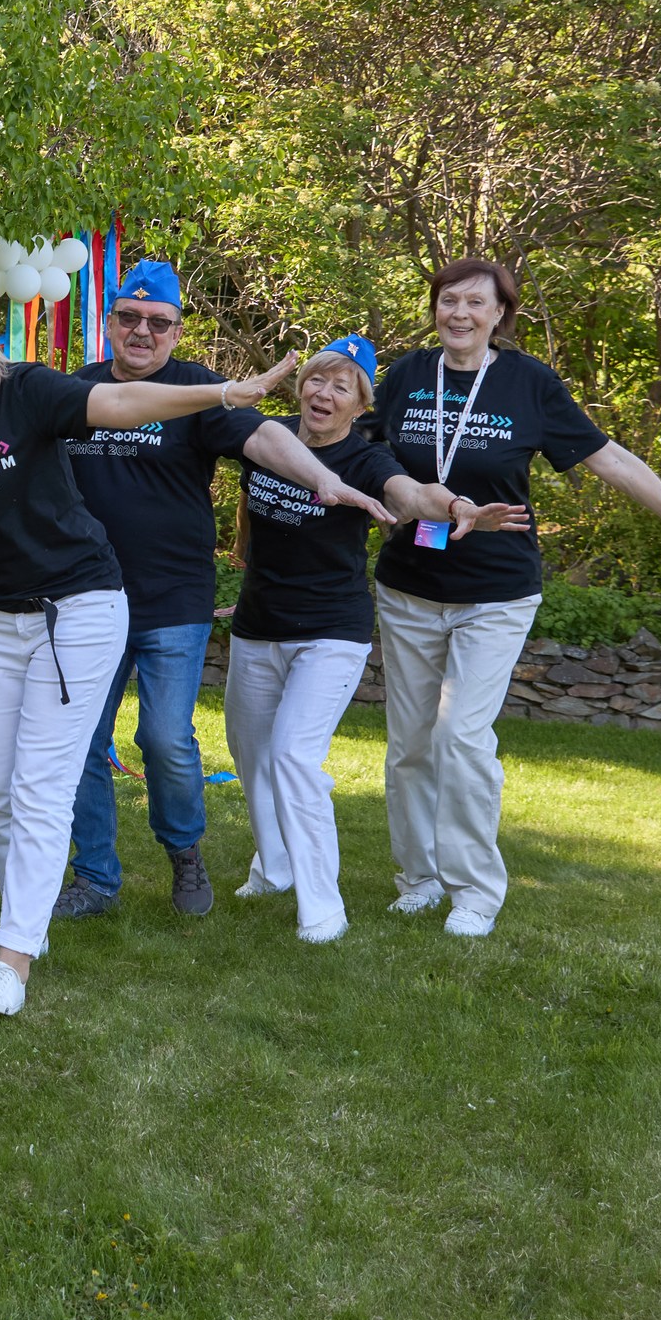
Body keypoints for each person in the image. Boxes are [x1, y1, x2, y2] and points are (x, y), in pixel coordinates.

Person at [0, 256, 391, 1017]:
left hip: (75, 608)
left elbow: (123, 400)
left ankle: (11, 959)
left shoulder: (26, 390)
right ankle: (24, 920)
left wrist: (220, 393)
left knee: (42, 785)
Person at [367, 259, 661, 939]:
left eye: (475, 302)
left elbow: (611, 459)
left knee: (460, 736)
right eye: (448, 300)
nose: (459, 313)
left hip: (496, 593)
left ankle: (474, 891)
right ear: (434, 308)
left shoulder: (529, 383)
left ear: (499, 314)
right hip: (409, 586)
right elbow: (365, 454)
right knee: (411, 745)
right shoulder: (406, 375)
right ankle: (418, 879)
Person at [58, 258, 367, 922]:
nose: (142, 331)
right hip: (88, 600)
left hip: (173, 601)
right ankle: (95, 876)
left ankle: (184, 849)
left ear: (176, 331)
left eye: (158, 322)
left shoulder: (199, 389)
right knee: (82, 740)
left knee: (165, 739)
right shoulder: (77, 390)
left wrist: (321, 476)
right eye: (130, 317)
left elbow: (264, 437)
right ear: (109, 322)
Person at [222, 337, 520, 943]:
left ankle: (322, 909)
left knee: (292, 757)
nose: (323, 394)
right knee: (252, 756)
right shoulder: (269, 440)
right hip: (256, 626)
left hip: (330, 633)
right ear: (300, 386)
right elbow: (235, 479)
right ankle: (274, 867)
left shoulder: (366, 460)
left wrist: (454, 506)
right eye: (316, 380)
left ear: (361, 405)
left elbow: (410, 494)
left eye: (342, 387)